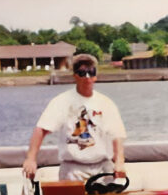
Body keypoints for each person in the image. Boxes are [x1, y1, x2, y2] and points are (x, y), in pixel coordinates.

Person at [22, 54, 126, 182]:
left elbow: (117, 134)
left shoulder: (106, 103)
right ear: (75, 76)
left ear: (95, 77)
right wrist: (31, 159)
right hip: (73, 169)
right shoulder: (61, 101)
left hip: (103, 167)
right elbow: (41, 129)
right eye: (82, 73)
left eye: (91, 72)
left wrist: (119, 162)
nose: (87, 77)